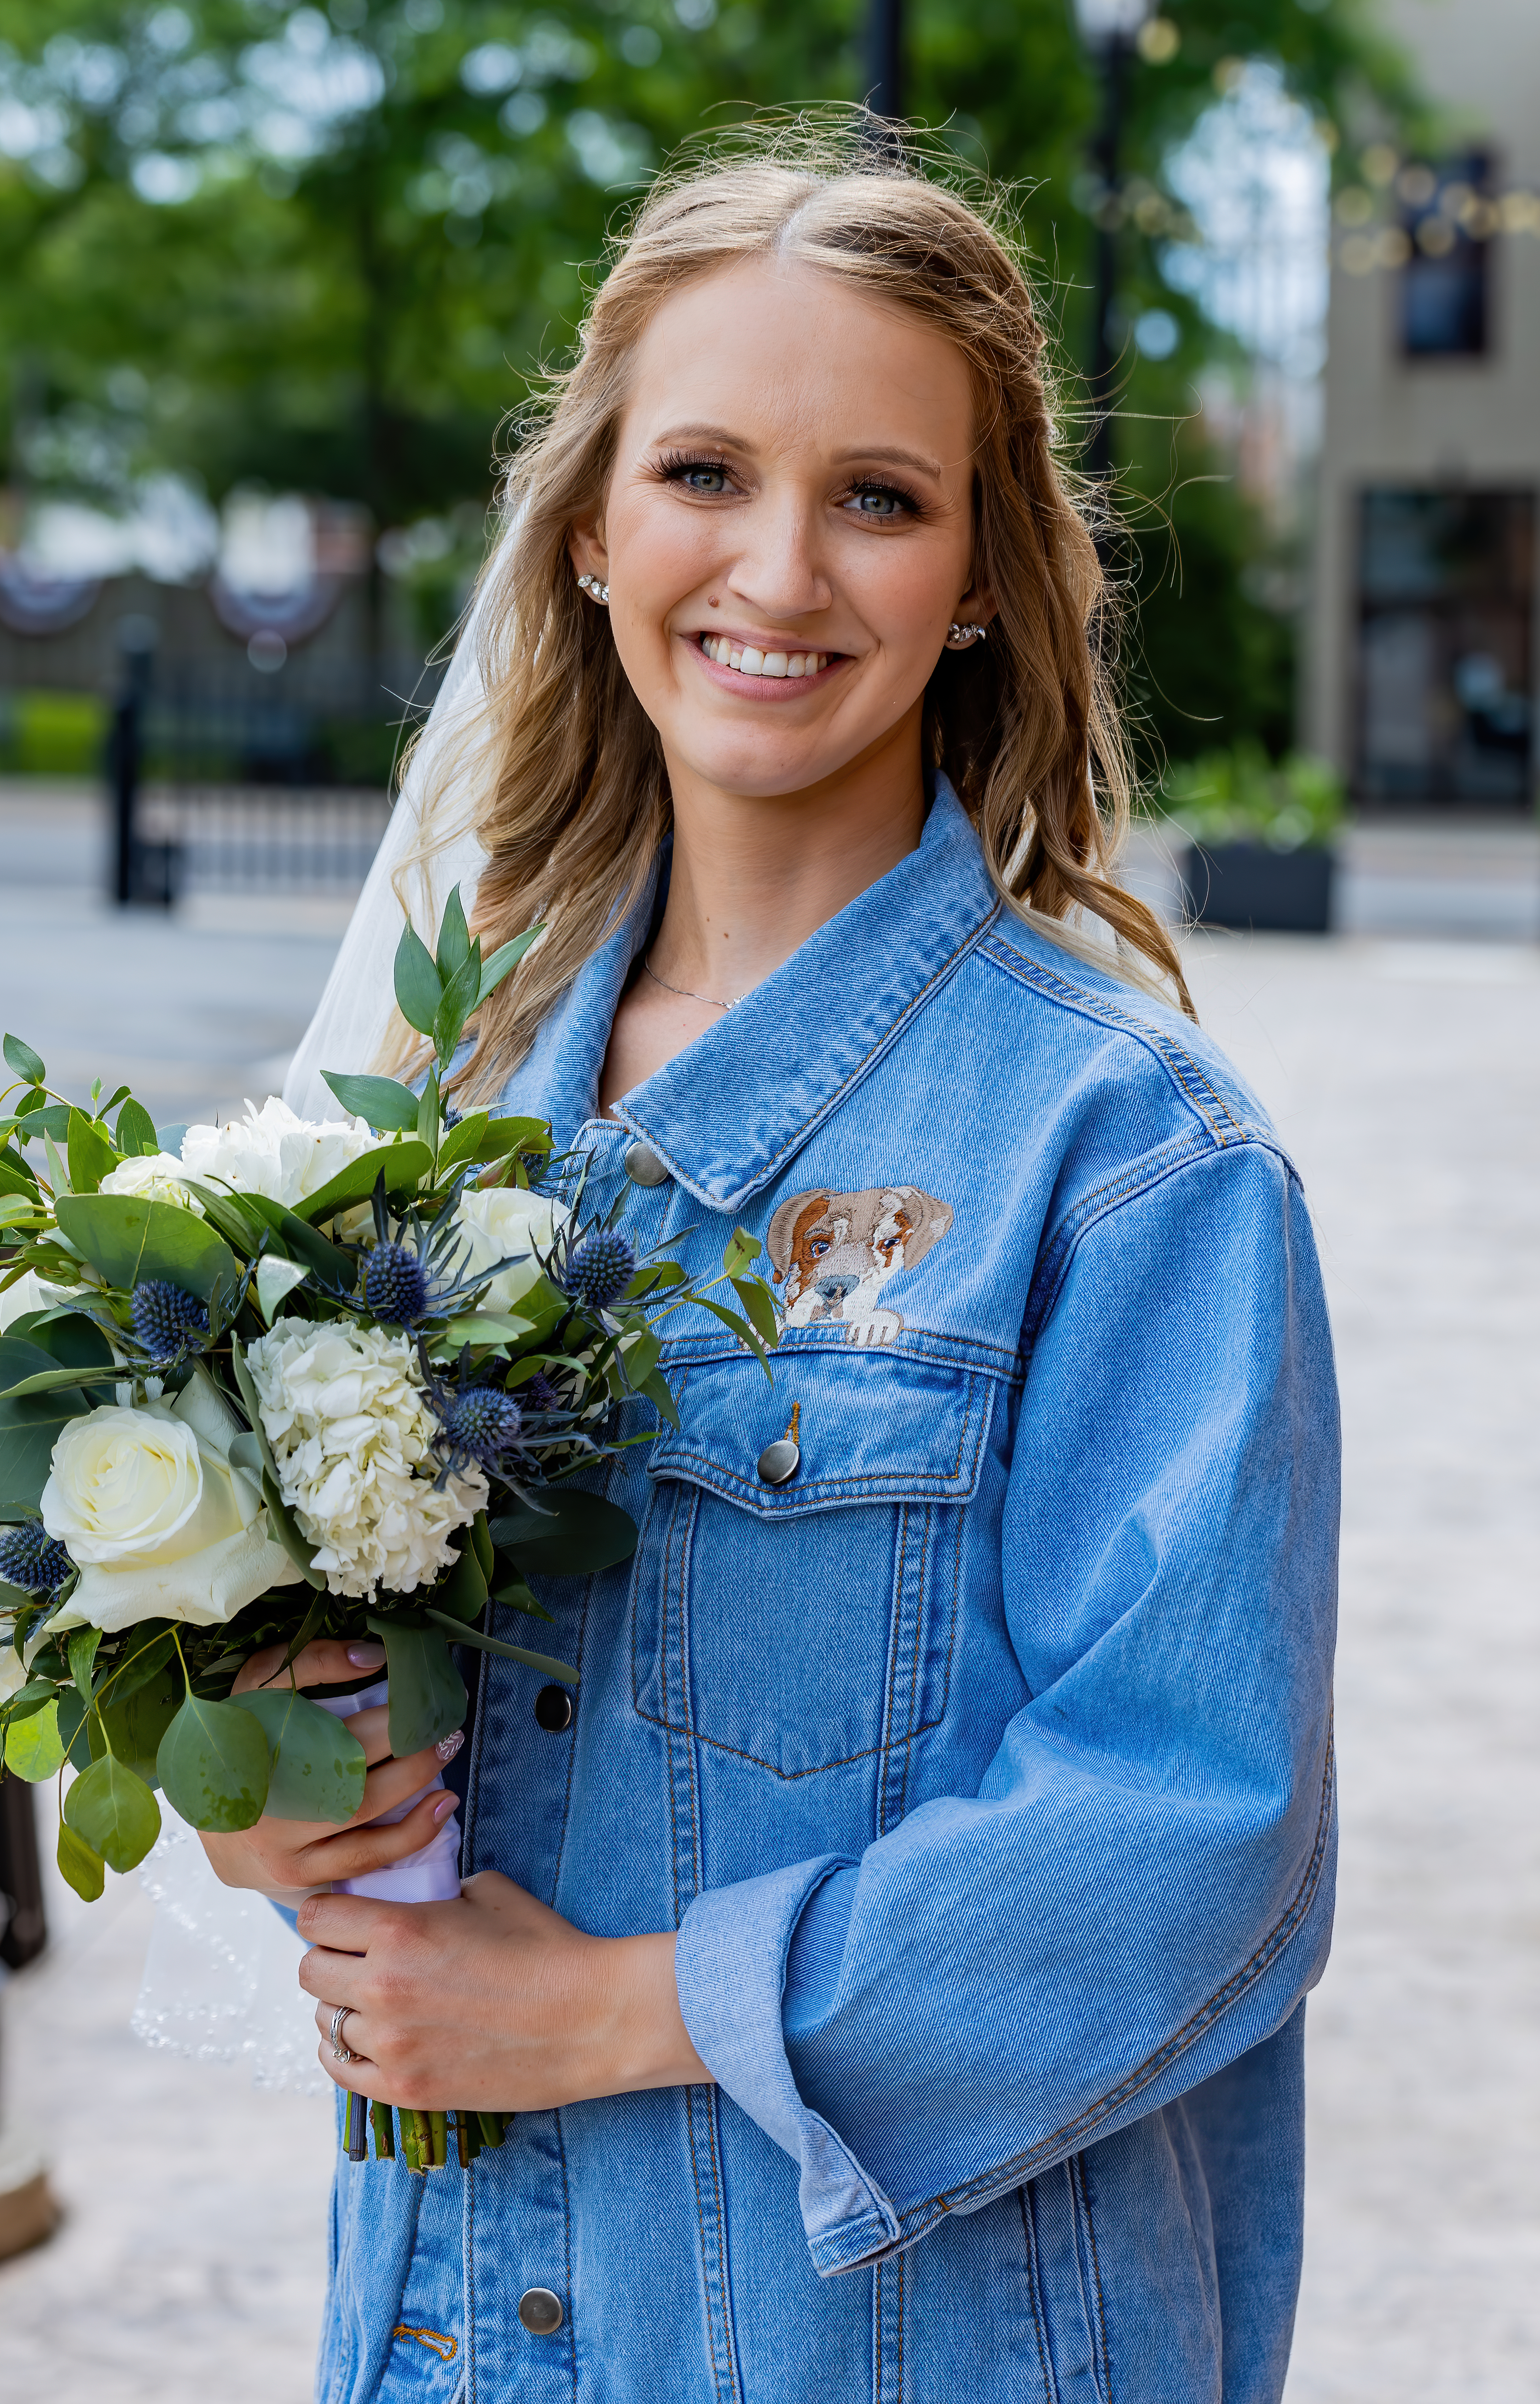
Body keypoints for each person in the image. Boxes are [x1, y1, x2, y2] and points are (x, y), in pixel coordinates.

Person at [195, 125, 1339, 2404]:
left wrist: (613, 2009)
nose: (779, 571)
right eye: (706, 470)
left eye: (881, 498)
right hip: (452, 2318)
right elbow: (312, 1686)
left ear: (986, 576)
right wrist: (268, 1783)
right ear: (596, 520)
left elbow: (1195, 1827)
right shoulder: (428, 1110)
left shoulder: (1129, 1159)